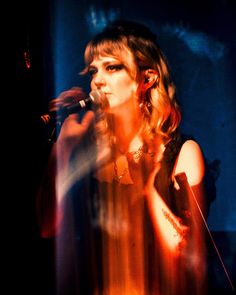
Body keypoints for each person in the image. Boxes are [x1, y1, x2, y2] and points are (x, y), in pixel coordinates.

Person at [37, 19, 208, 295]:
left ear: (147, 79)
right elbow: (46, 227)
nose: (98, 80)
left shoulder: (181, 153)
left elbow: (185, 260)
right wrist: (61, 150)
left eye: (112, 67)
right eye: (94, 71)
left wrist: (146, 185)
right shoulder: (85, 148)